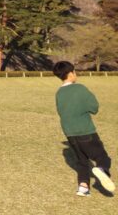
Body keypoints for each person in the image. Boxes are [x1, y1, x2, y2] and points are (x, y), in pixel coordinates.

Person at [54, 60, 115, 196]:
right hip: (85, 130)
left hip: (69, 133)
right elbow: (94, 107)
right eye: (74, 72)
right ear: (70, 74)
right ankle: (101, 169)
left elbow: (61, 111)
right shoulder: (80, 88)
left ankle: (83, 187)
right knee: (102, 157)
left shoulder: (59, 93)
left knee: (82, 161)